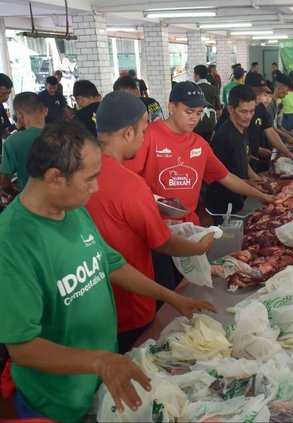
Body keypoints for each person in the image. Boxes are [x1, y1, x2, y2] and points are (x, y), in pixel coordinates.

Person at [0, 120, 216, 422]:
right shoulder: (13, 242)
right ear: (53, 178)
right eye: (89, 179)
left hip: (103, 383)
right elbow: (22, 347)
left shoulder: (72, 210)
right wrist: (99, 361)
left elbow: (111, 264)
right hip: (56, 402)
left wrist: (172, 298)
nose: (96, 187)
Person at [86, 91, 216, 353]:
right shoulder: (131, 185)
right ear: (127, 133)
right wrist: (199, 247)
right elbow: (162, 241)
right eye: (144, 131)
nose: (146, 137)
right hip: (131, 305)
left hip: (92, 306)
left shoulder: (81, 172)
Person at [123, 81, 274, 286]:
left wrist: (263, 196)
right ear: (172, 108)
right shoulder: (148, 136)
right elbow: (128, 182)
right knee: (165, 287)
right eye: (189, 111)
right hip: (156, 231)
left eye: (199, 112)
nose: (194, 118)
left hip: (188, 229)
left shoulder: (199, 144)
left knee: (189, 285)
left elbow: (226, 177)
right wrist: (154, 216)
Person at [206, 85, 260, 217]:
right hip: (222, 205)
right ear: (230, 109)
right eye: (243, 112)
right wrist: (248, 184)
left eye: (252, 111)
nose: (248, 116)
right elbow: (217, 176)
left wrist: (256, 178)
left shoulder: (242, 127)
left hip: (237, 198)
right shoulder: (225, 137)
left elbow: (243, 159)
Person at [0, 92, 47, 195]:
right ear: (45, 111)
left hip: (30, 202)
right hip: (63, 202)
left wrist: (15, 194)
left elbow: (3, 182)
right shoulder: (63, 136)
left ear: (20, 115)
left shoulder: (13, 142)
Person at [193, 64, 221, 143]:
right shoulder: (213, 88)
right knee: (208, 145)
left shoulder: (193, 89)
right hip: (210, 122)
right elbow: (218, 109)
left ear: (197, 75)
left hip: (197, 123)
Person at [0, 73, 13, 139]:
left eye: (9, 93)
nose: (7, 97)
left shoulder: (1, 107)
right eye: (4, 93)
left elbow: (4, 132)